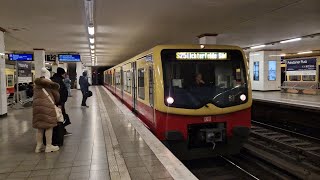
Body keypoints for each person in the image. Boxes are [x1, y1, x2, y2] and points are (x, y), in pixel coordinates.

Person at [33, 68, 60, 153]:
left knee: (40, 127)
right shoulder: (50, 85)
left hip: (37, 108)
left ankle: (38, 146)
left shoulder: (36, 86)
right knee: (49, 126)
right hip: (48, 107)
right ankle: (49, 146)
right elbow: (57, 97)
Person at [51, 67, 72, 136]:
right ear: (62, 73)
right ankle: (60, 132)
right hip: (59, 103)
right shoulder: (58, 80)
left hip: (58, 102)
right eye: (64, 74)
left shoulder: (55, 79)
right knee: (60, 117)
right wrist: (59, 103)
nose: (64, 75)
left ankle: (61, 131)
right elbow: (58, 93)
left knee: (60, 117)